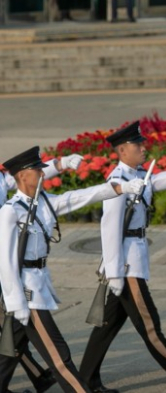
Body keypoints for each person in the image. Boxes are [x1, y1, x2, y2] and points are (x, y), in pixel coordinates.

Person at [78, 121, 166, 393]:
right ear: (123, 150)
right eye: (138, 145)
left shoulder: (139, 176)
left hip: (133, 260)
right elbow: (110, 230)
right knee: (152, 330)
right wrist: (114, 272)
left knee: (107, 326)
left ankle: (86, 381)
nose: (143, 147)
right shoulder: (117, 182)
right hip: (126, 267)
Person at [0, 146, 144, 393]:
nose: (42, 174)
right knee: (59, 357)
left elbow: (79, 197)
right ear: (22, 176)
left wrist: (120, 188)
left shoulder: (44, 202)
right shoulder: (10, 211)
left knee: (8, 353)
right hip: (26, 293)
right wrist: (15, 302)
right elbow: (5, 261)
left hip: (40, 285)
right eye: (37, 170)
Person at [0, 153, 82, 393]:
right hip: (9, 264)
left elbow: (16, 181)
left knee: (13, 333)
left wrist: (60, 164)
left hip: (11, 260)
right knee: (14, 329)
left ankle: (39, 376)